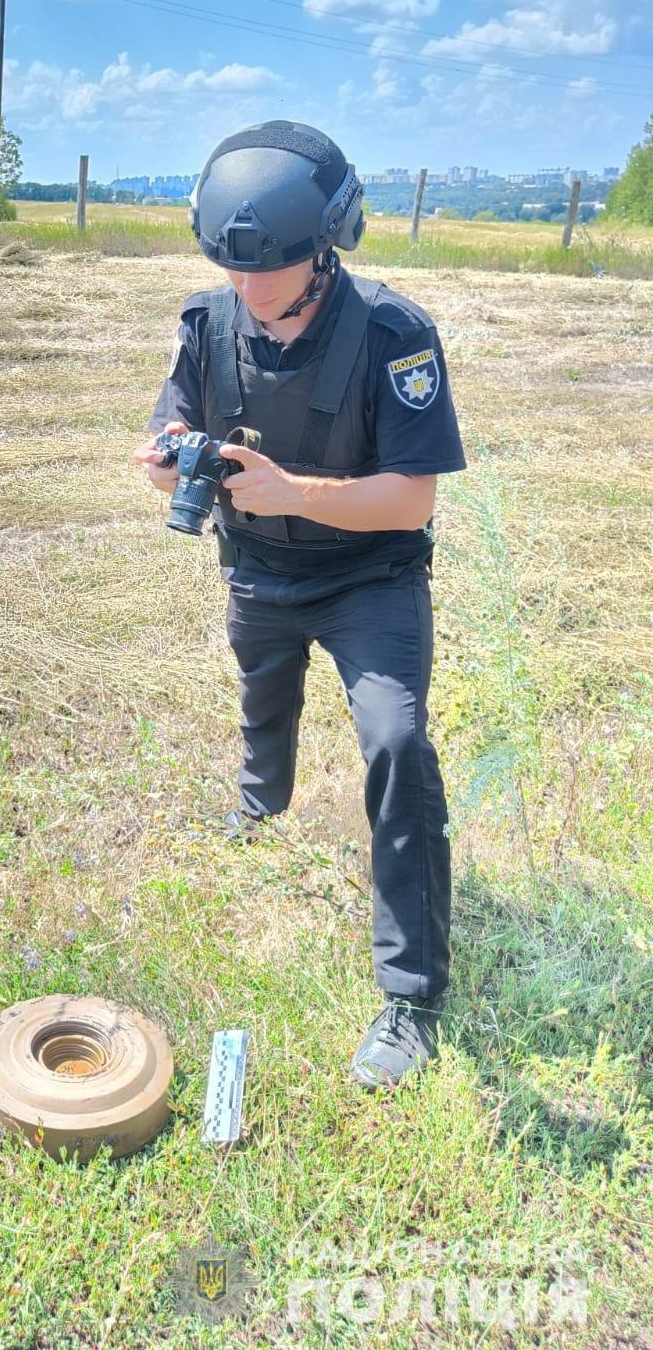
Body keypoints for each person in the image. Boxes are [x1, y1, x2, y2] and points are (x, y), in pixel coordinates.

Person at [131, 121, 467, 1090]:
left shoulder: (396, 336)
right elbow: (171, 437)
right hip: (259, 570)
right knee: (263, 691)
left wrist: (294, 493)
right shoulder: (207, 323)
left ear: (326, 245)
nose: (252, 293)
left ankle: (411, 998)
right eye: (234, 273)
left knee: (397, 742)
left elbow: (413, 497)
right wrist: (164, 465)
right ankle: (259, 803)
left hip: (372, 580)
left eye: (271, 273)